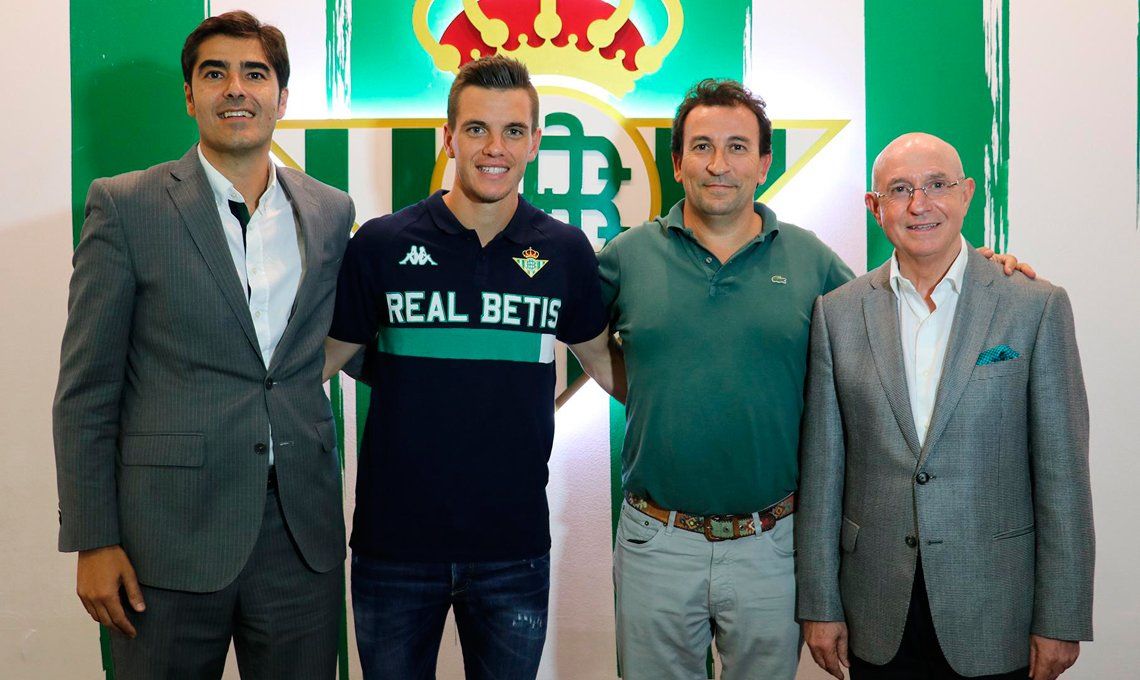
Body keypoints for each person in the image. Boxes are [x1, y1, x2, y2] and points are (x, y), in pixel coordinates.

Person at [598, 81, 1033, 680]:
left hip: (772, 543)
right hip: (656, 542)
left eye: (737, 147)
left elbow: (890, 312)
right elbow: (579, 330)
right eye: (701, 146)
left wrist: (978, 269)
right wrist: (640, 389)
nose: (719, 164)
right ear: (677, 162)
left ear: (764, 163)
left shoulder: (811, 261)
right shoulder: (626, 255)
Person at [53, 11, 355, 678]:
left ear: (282, 96)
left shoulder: (330, 211)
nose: (236, 89)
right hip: (166, 539)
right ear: (190, 96)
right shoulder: (126, 206)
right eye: (215, 74)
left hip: (300, 535)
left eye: (255, 74)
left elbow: (342, 342)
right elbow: (86, 389)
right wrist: (93, 539)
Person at [321, 55, 619, 680]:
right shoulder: (381, 244)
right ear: (449, 137)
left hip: (513, 549)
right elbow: (319, 363)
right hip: (393, 548)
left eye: (514, 131)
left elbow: (607, 366)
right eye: (477, 128)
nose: (495, 148)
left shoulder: (564, 251)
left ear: (535, 142)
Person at [797, 132, 1093, 680]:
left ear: (967, 193)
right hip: (875, 605)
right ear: (875, 207)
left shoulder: (1034, 305)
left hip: (997, 604)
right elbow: (823, 473)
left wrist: (1062, 614)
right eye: (900, 189)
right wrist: (819, 603)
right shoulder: (836, 314)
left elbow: (1063, 475)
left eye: (937, 185)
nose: (920, 204)